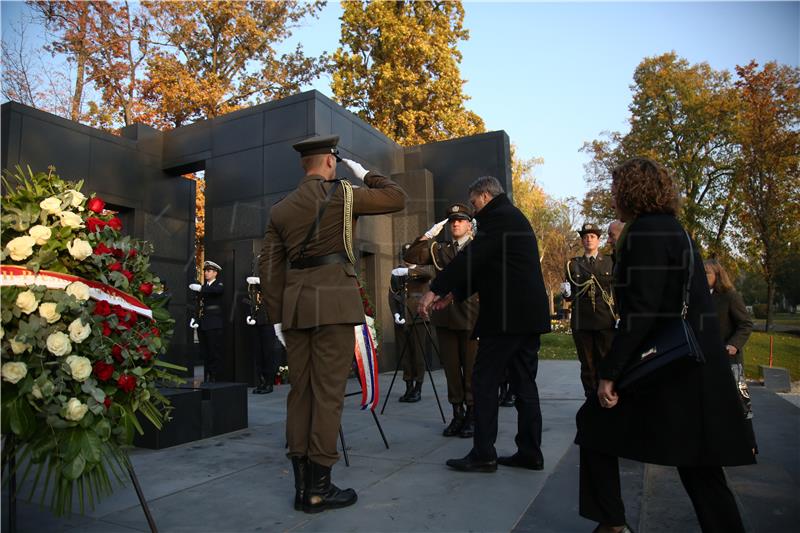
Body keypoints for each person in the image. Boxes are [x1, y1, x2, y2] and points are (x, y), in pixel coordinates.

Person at [575, 158, 755, 533]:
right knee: (700, 467)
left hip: (668, 366)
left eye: (615, 187)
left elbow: (642, 312)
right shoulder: (675, 230)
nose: (612, 194)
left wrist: (610, 374)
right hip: (689, 366)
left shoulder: (645, 234)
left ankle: (611, 523)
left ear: (629, 190)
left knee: (594, 423)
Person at [259, 134, 405, 513]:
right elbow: (396, 197)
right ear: (329, 162)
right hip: (335, 304)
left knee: (300, 393)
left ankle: (300, 487)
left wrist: (276, 315)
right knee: (327, 394)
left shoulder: (281, 208)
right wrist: (367, 173)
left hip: (295, 308)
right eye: (337, 163)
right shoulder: (342, 195)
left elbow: (269, 268)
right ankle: (319, 488)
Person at [418, 176, 551, 472]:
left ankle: (483, 453)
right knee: (524, 385)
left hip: (506, 318)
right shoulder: (510, 218)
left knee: (484, 381)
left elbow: (472, 258)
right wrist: (455, 293)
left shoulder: (499, 219)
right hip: (524, 317)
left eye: (474, 202)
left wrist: (434, 288)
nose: (473, 209)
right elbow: (489, 267)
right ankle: (530, 452)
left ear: (486, 195)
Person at [405, 203, 479, 437]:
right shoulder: (440, 249)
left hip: (470, 316)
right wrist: (428, 235)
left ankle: (472, 415)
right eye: (452, 221)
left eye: (461, 220)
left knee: (470, 369)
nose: (456, 223)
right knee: (451, 370)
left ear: (469, 224)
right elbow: (411, 256)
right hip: (445, 318)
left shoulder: (478, 247)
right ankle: (456, 414)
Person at [704, 258, 757, 450]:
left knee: (740, 402)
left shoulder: (730, 296)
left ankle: (749, 444)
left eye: (706, 274)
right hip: (708, 359)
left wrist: (734, 345)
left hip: (729, 358)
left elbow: (746, 324)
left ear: (717, 276)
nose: (702, 277)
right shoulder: (699, 298)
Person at [560, 223, 617, 397]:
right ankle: (591, 399)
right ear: (582, 241)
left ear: (598, 241)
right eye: (585, 237)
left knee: (605, 361)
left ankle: (605, 397)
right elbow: (569, 295)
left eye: (592, 236)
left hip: (604, 320)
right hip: (582, 320)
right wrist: (565, 293)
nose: (588, 239)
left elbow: (616, 290)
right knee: (587, 364)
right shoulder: (573, 265)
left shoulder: (610, 261)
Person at [387, 256, 433, 403]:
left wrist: (408, 270)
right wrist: (395, 313)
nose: (407, 258)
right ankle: (408, 386)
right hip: (402, 318)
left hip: (418, 319)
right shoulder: (397, 274)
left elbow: (428, 275)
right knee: (405, 355)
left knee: (418, 355)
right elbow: (392, 295)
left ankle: (418, 388)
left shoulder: (420, 272)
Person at [189, 260, 224, 383]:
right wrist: (195, 318)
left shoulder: (218, 285)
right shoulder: (204, 287)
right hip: (203, 323)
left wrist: (200, 289)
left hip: (214, 324)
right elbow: (199, 305)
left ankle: (214, 376)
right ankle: (208, 375)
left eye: (208, 271)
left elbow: (216, 292)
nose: (206, 273)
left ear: (215, 273)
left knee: (213, 351)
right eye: (205, 271)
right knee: (205, 351)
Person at [244, 272, 277, 394]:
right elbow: (250, 302)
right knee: (258, 354)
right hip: (256, 322)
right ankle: (261, 381)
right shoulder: (253, 288)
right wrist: (249, 316)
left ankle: (269, 383)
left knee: (267, 354)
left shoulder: (269, 285)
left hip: (267, 322)